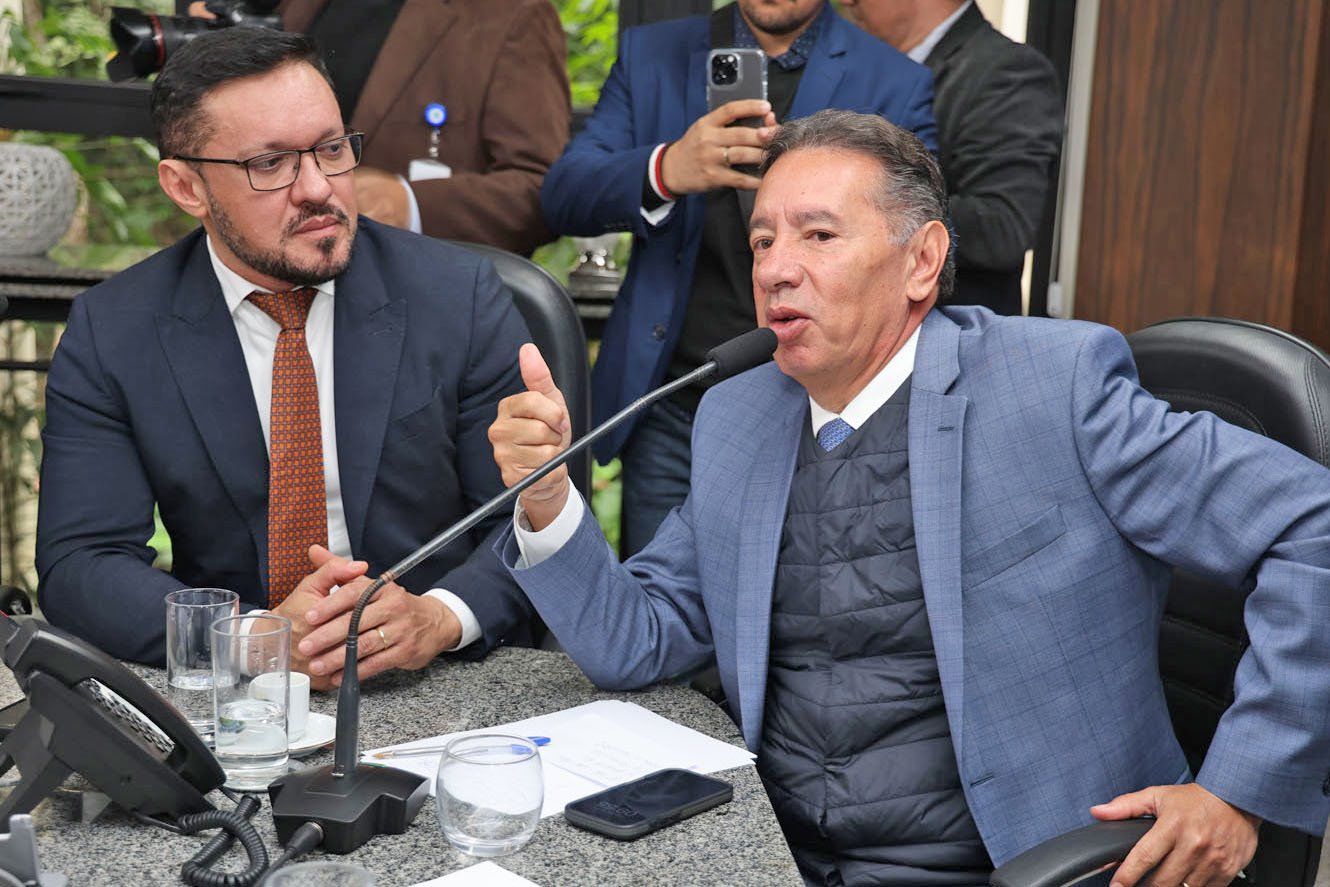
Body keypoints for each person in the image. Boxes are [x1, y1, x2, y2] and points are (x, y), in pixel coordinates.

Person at [491, 110, 1330, 885]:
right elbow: (637, 640)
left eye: (819, 235)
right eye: (762, 241)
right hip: (776, 851)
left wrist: (1238, 790)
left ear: (922, 261)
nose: (776, 268)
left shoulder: (1053, 387)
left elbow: (1311, 525)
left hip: (1019, 859)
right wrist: (549, 495)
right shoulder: (740, 415)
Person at [36, 27, 537, 691]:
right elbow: (81, 564)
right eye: (269, 164)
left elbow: (530, 522)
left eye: (331, 149)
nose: (317, 188)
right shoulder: (114, 330)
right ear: (186, 187)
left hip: (442, 682)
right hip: (241, 695)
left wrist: (441, 616)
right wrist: (254, 638)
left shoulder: (457, 297)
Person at [540, 0, 937, 555]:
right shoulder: (651, 56)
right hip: (674, 400)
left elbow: (919, 235)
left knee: (800, 587)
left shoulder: (892, 79)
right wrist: (666, 168)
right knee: (657, 591)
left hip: (819, 405)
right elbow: (562, 196)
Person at [188, 0, 570, 255]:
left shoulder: (511, 16)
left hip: (420, 304)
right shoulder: (282, 7)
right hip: (273, 287)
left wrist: (409, 203)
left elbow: (544, 192)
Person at [840, 0, 1062, 315]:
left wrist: (859, 205)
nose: (846, 1)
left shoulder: (1007, 72)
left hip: (946, 328)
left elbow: (1001, 227)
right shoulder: (860, 70)